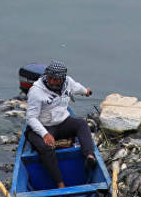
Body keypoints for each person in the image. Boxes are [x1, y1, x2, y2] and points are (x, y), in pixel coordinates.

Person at [25, 61, 96, 189]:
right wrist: (45, 134)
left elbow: (77, 87)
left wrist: (86, 91)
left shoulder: (68, 83)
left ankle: (90, 155)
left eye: (55, 79)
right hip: (42, 126)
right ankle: (59, 183)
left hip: (61, 122)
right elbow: (31, 118)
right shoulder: (35, 92)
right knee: (47, 148)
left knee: (81, 124)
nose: (51, 82)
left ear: (62, 79)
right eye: (49, 78)